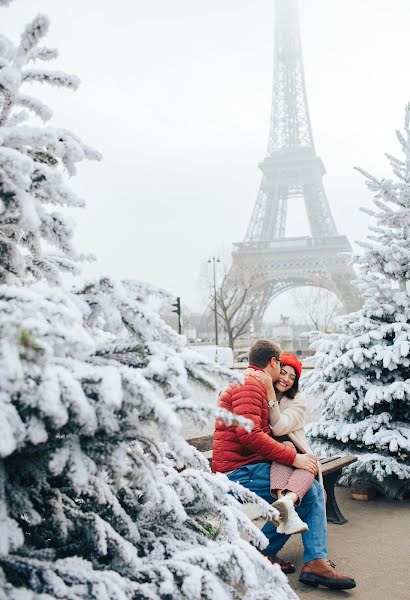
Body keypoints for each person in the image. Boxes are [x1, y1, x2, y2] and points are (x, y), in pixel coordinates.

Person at [212, 339, 356, 590]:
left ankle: (294, 556)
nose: (284, 375)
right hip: (236, 473)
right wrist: (293, 458)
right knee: (310, 492)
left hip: (249, 465)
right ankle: (300, 558)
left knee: (308, 490)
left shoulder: (254, 383)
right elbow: (250, 435)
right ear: (273, 363)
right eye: (281, 366)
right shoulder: (251, 384)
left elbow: (260, 432)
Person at [246, 353, 318, 536]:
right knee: (312, 491)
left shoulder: (297, 400)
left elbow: (279, 428)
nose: (286, 379)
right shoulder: (258, 389)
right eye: (284, 372)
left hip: (289, 453)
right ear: (276, 369)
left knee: (309, 462)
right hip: (270, 456)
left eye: (292, 378)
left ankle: (284, 502)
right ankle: (286, 506)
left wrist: (271, 395)